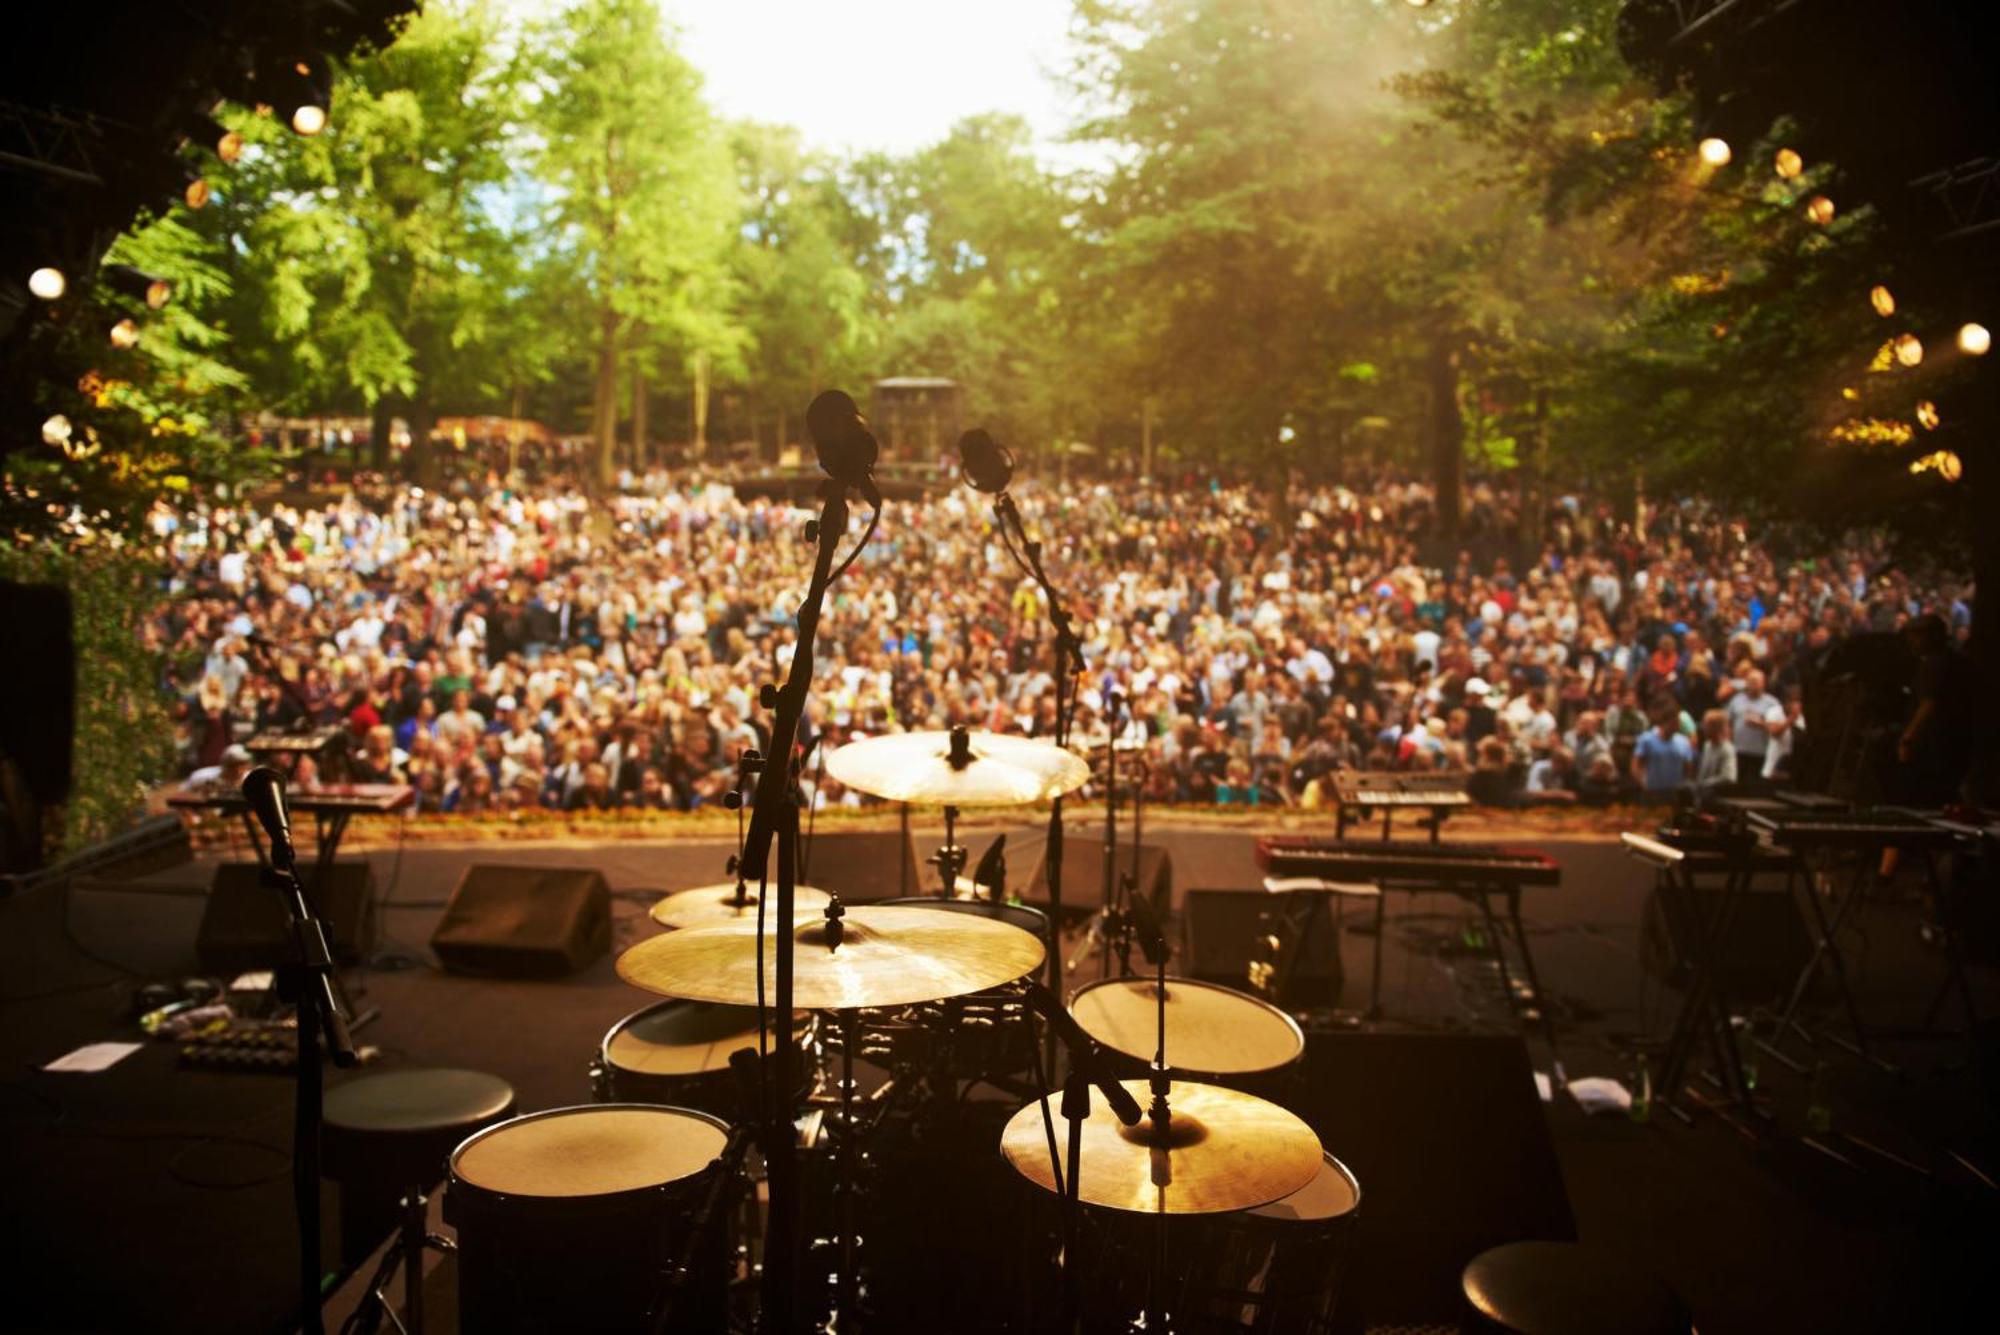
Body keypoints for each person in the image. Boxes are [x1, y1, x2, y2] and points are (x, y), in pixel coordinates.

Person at [1632, 710, 1694, 801]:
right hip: (1652, 793)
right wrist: (1643, 782)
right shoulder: (1646, 739)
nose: (1677, 725)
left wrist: (1682, 785)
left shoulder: (1683, 742)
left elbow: (1688, 768)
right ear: (1664, 722)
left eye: (1678, 722)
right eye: (1674, 722)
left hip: (1675, 794)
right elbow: (1635, 765)